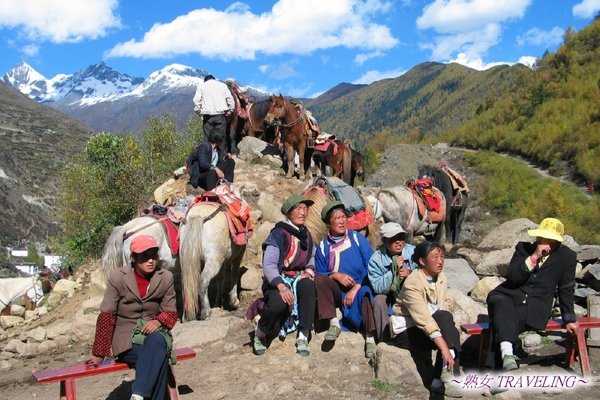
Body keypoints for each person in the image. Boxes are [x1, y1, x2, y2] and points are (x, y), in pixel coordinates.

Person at [85, 235, 178, 400]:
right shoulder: (118, 277)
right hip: (126, 340)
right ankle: (141, 394)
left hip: (153, 334)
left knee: (157, 342)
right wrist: (99, 353)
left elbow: (170, 311)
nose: (150, 260)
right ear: (133, 258)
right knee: (159, 357)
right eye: (144, 256)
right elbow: (107, 314)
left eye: (153, 255)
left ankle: (138, 394)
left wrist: (158, 321)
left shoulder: (165, 278)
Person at [486, 217, 577, 371]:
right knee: (502, 304)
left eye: (549, 238)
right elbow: (513, 277)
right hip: (506, 295)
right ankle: (507, 356)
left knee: (502, 320)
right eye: (541, 237)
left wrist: (569, 318)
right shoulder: (523, 249)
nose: (543, 241)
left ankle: (497, 366)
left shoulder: (567, 257)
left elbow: (566, 288)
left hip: (534, 308)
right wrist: (534, 257)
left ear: (556, 241)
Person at [391, 241, 463, 398]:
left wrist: (446, 343)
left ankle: (440, 379)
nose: (440, 261)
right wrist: (444, 349)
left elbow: (444, 305)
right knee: (445, 331)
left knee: (449, 326)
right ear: (422, 261)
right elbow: (422, 318)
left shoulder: (441, 277)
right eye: (435, 257)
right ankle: (446, 375)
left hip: (429, 325)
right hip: (406, 331)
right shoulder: (412, 282)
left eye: (442, 256)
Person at [253, 194, 317, 356]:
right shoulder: (279, 233)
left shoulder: (306, 234)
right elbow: (269, 265)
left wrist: (309, 271)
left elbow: (313, 256)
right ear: (289, 212)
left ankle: (303, 334)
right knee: (278, 303)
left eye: (305, 209)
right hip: (278, 280)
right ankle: (261, 332)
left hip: (297, 278)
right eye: (298, 208)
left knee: (309, 287)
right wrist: (281, 286)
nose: (303, 212)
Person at [314, 200, 377, 358]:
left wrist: (356, 288)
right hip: (338, 293)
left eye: (344, 217)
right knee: (321, 280)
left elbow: (372, 265)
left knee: (366, 293)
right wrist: (335, 275)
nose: (342, 221)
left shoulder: (356, 238)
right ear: (329, 223)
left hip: (362, 284)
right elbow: (320, 273)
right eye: (337, 218)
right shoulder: (323, 247)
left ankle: (370, 337)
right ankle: (333, 323)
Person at [367, 222, 417, 342]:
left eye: (401, 238)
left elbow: (423, 271)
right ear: (384, 240)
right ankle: (384, 338)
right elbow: (378, 287)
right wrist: (392, 271)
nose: (398, 242)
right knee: (379, 300)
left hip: (409, 291)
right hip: (388, 293)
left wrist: (410, 274)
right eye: (393, 239)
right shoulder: (376, 259)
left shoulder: (413, 252)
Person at [193, 74, 235, 152]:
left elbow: (196, 100)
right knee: (221, 138)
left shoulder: (201, 86)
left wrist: (199, 111)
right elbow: (230, 99)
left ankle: (208, 158)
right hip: (220, 116)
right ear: (214, 79)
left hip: (207, 117)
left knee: (208, 138)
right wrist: (230, 110)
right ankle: (221, 158)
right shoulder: (222, 86)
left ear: (205, 80)